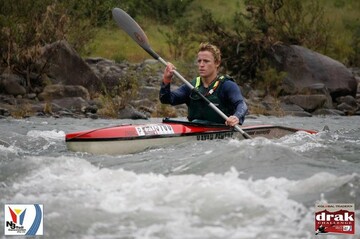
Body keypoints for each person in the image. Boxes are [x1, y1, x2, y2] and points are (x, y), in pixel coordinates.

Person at [159, 42, 248, 126]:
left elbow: (241, 105)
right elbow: (166, 99)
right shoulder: (191, 86)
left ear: (217, 63)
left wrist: (236, 117)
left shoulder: (227, 85)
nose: (201, 65)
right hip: (195, 130)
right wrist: (167, 80)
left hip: (222, 132)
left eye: (206, 61)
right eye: (199, 61)